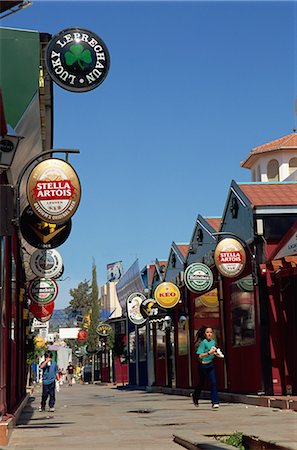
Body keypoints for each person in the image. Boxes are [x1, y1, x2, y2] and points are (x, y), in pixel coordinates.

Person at [192, 326, 222, 409]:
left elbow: (215, 350)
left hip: (210, 364)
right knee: (202, 382)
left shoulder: (213, 342)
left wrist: (217, 353)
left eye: (211, 332)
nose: (209, 334)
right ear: (204, 334)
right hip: (202, 365)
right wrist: (209, 353)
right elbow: (200, 356)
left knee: (213, 382)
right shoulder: (201, 343)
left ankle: (215, 402)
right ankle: (195, 395)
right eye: (207, 332)